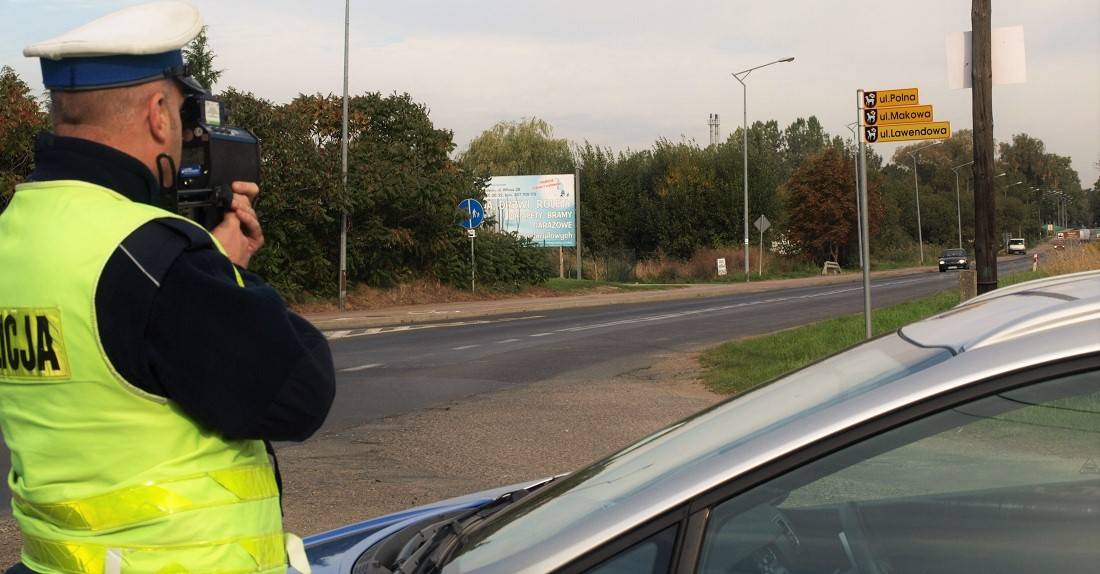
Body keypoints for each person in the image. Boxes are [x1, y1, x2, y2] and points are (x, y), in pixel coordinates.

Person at [0, 2, 335, 572]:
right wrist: (230, 270)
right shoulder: (150, 255)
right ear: (158, 113)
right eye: (182, 114)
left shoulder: (17, 231)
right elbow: (300, 392)